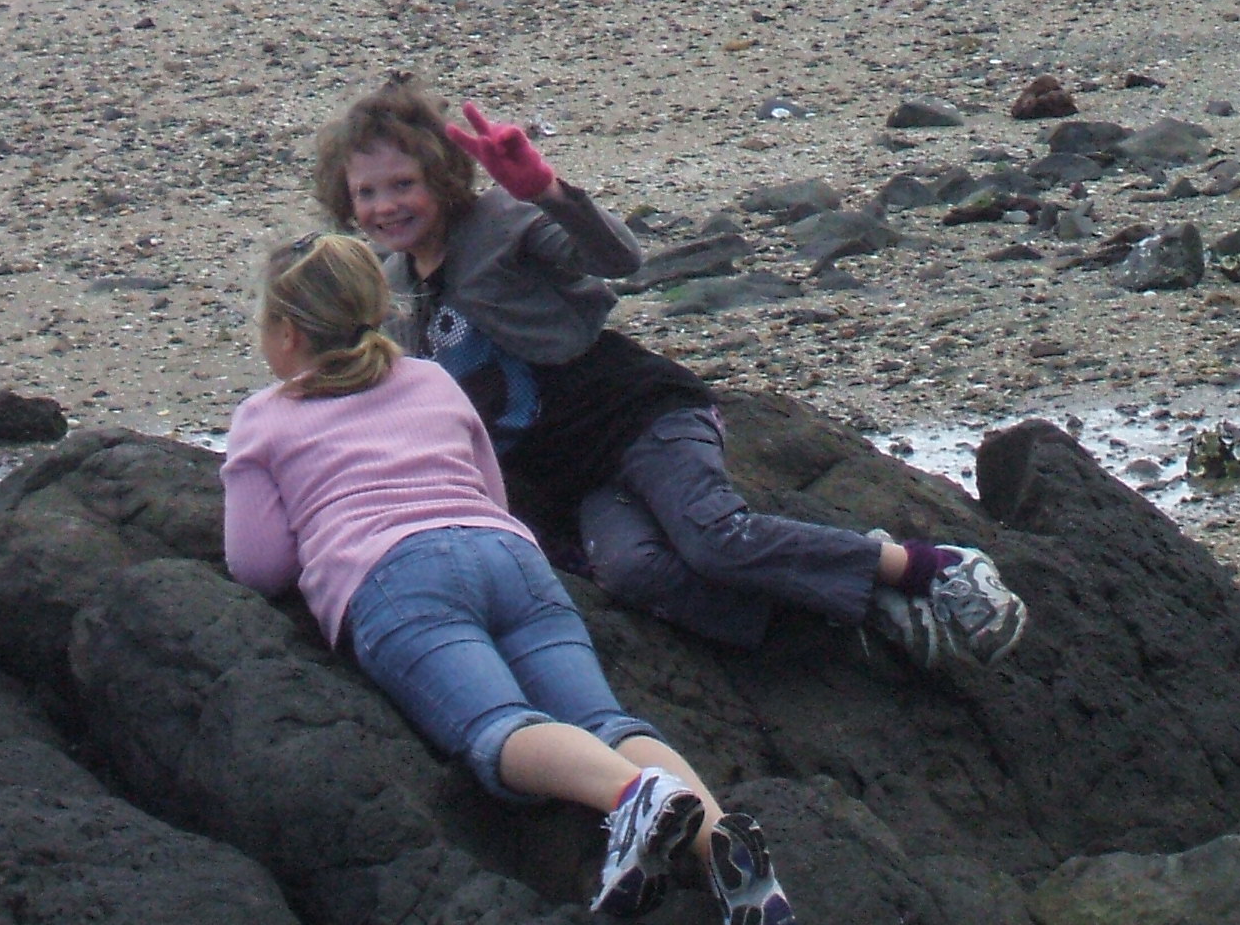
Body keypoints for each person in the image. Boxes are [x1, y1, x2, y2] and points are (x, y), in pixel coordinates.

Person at [223, 235, 801, 925]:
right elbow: (490, 489)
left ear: (286, 333)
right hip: (509, 558)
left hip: (395, 577)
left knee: (497, 729)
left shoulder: (267, 416)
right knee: (605, 720)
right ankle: (724, 843)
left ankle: (634, 798)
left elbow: (259, 563)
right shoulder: (431, 379)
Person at [311, 76, 1026, 669]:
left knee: (713, 538)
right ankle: (862, 618)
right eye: (367, 194)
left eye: (403, 184)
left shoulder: (500, 224)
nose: (385, 206)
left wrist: (546, 190)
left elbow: (618, 259)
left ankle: (932, 566)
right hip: (581, 473)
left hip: (640, 415)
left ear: (441, 177)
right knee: (634, 572)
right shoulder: (394, 289)